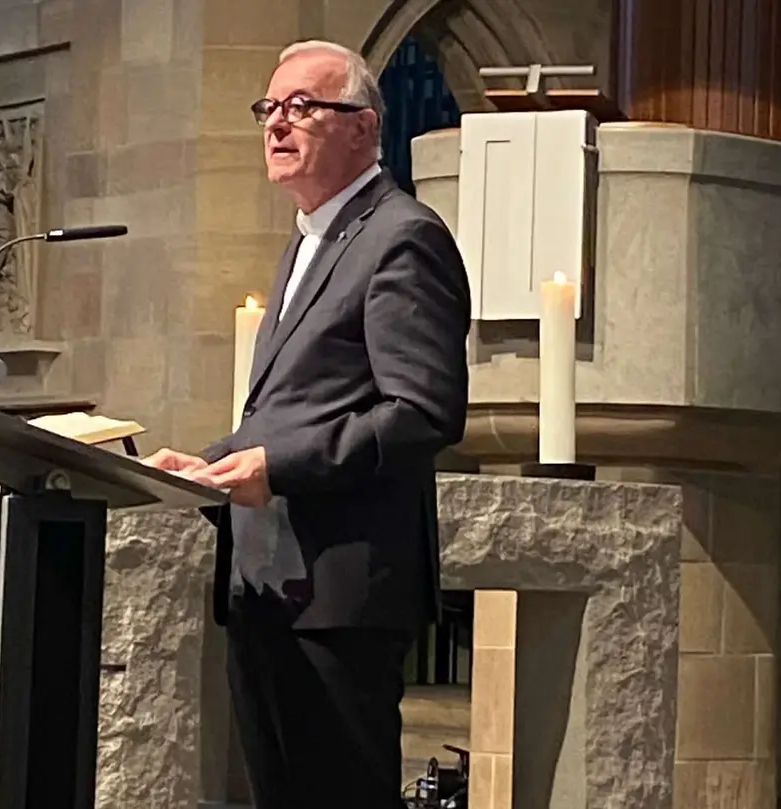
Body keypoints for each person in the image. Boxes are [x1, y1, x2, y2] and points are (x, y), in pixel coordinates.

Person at [143, 39, 471, 809]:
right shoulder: (309, 238)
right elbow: (290, 408)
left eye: (301, 107)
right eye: (268, 108)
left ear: (361, 127)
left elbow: (423, 412)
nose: (276, 124)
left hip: (340, 591)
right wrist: (204, 464)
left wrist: (276, 469)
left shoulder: (402, 236)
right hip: (267, 581)